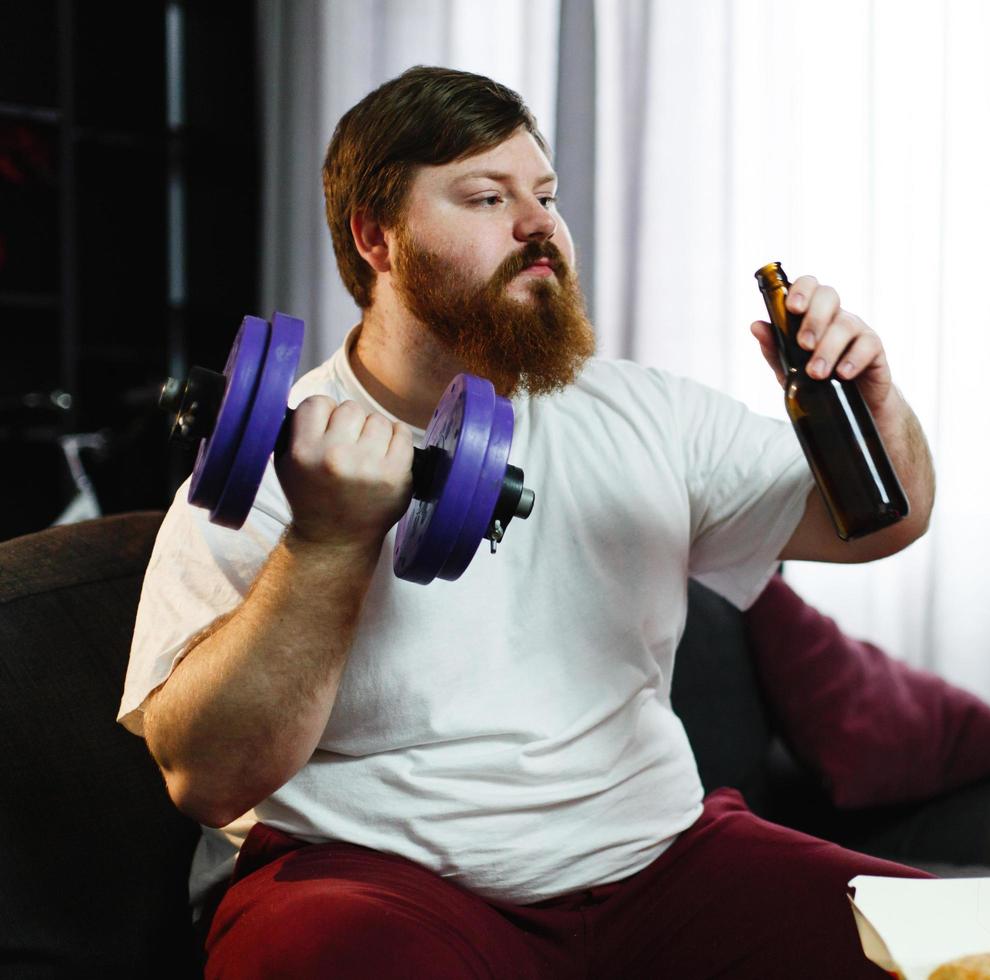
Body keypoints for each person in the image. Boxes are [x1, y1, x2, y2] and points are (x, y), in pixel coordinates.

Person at [120, 65, 936, 979]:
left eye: (545, 194)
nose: (539, 222)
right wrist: (328, 540)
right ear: (375, 238)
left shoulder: (645, 413)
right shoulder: (280, 461)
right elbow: (207, 776)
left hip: (659, 863)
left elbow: (878, 520)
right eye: (486, 196)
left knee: (958, 952)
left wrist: (874, 407)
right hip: (383, 883)